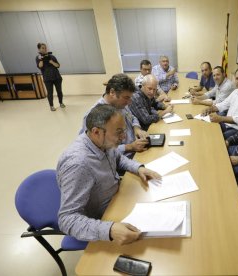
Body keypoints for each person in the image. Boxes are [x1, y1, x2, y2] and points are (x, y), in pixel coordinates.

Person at [57, 104, 161, 244]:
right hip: (104, 219)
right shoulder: (78, 164)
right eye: (119, 132)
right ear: (96, 132)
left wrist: (138, 168)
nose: (124, 137)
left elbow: (117, 157)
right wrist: (109, 230)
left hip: (117, 200)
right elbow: (66, 219)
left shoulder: (102, 142)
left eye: (123, 131)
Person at [79, 74, 148, 159]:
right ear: (112, 92)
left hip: (137, 149)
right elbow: (95, 150)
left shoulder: (121, 104)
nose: (129, 102)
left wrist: (137, 128)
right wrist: (129, 147)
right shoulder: (93, 116)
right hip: (121, 159)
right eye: (126, 98)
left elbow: (132, 117)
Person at [202, 67, 238, 139]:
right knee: (206, 128)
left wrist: (221, 118)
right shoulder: (236, 91)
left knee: (215, 138)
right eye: (237, 78)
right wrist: (210, 109)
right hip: (227, 124)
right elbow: (223, 104)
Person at [35, 43, 64, 111]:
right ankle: (51, 106)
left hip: (57, 77)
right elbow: (40, 66)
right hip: (47, 79)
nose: (44, 49)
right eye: (42, 48)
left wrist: (52, 62)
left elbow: (58, 65)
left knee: (59, 91)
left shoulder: (52, 56)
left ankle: (61, 103)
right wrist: (42, 58)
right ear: (39, 49)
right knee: (50, 93)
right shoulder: (38, 57)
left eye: (45, 48)